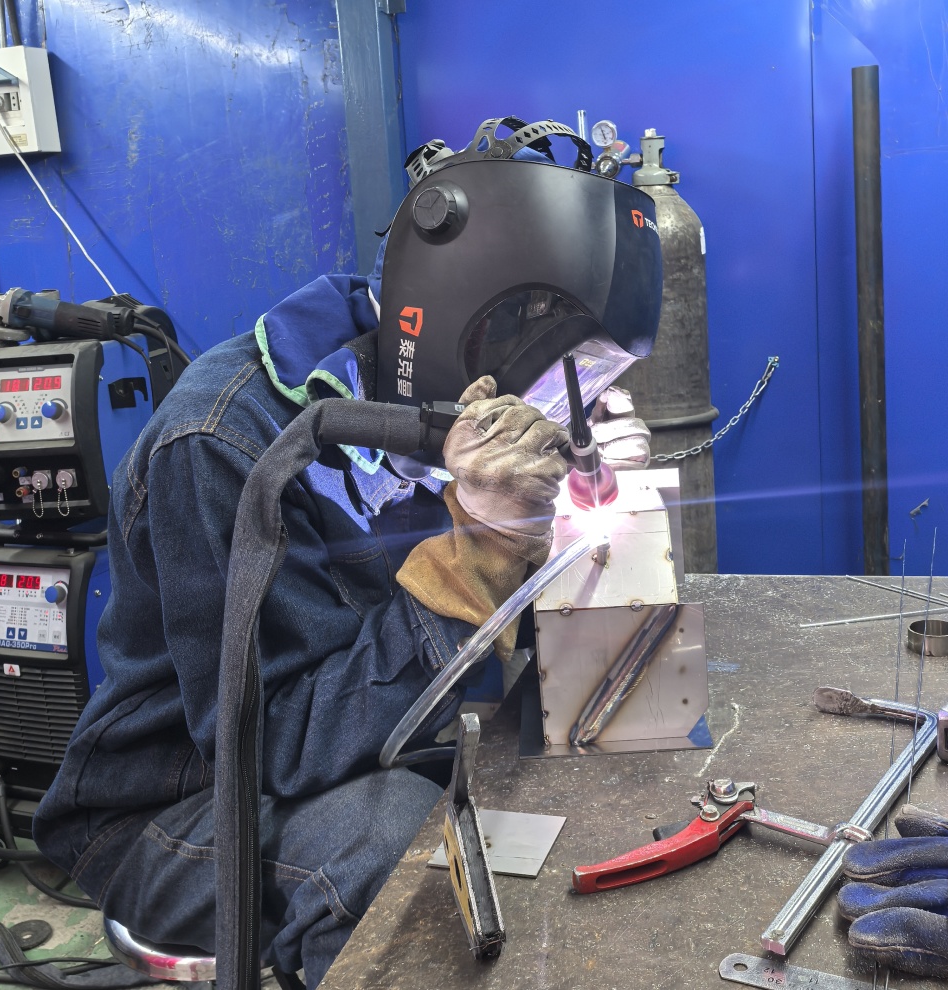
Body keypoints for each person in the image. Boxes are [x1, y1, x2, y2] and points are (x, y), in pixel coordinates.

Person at [32, 116, 662, 988]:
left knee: (551, 765)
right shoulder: (223, 446)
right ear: (465, 329)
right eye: (561, 386)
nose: (559, 413)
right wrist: (477, 548)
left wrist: (556, 535)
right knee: (400, 852)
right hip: (176, 809)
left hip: (363, 753)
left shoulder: (435, 403)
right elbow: (278, 746)